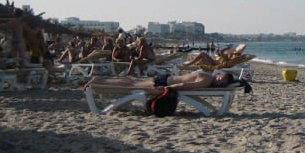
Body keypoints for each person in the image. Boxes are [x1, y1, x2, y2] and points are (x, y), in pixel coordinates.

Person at [86, 69, 245, 93]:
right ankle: (99, 81)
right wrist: (167, 89)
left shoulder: (207, 75)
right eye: (221, 79)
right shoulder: (207, 79)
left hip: (167, 78)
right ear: (219, 75)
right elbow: (184, 85)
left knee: (132, 82)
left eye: (222, 82)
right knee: (132, 85)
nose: (219, 82)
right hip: (166, 82)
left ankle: (102, 79)